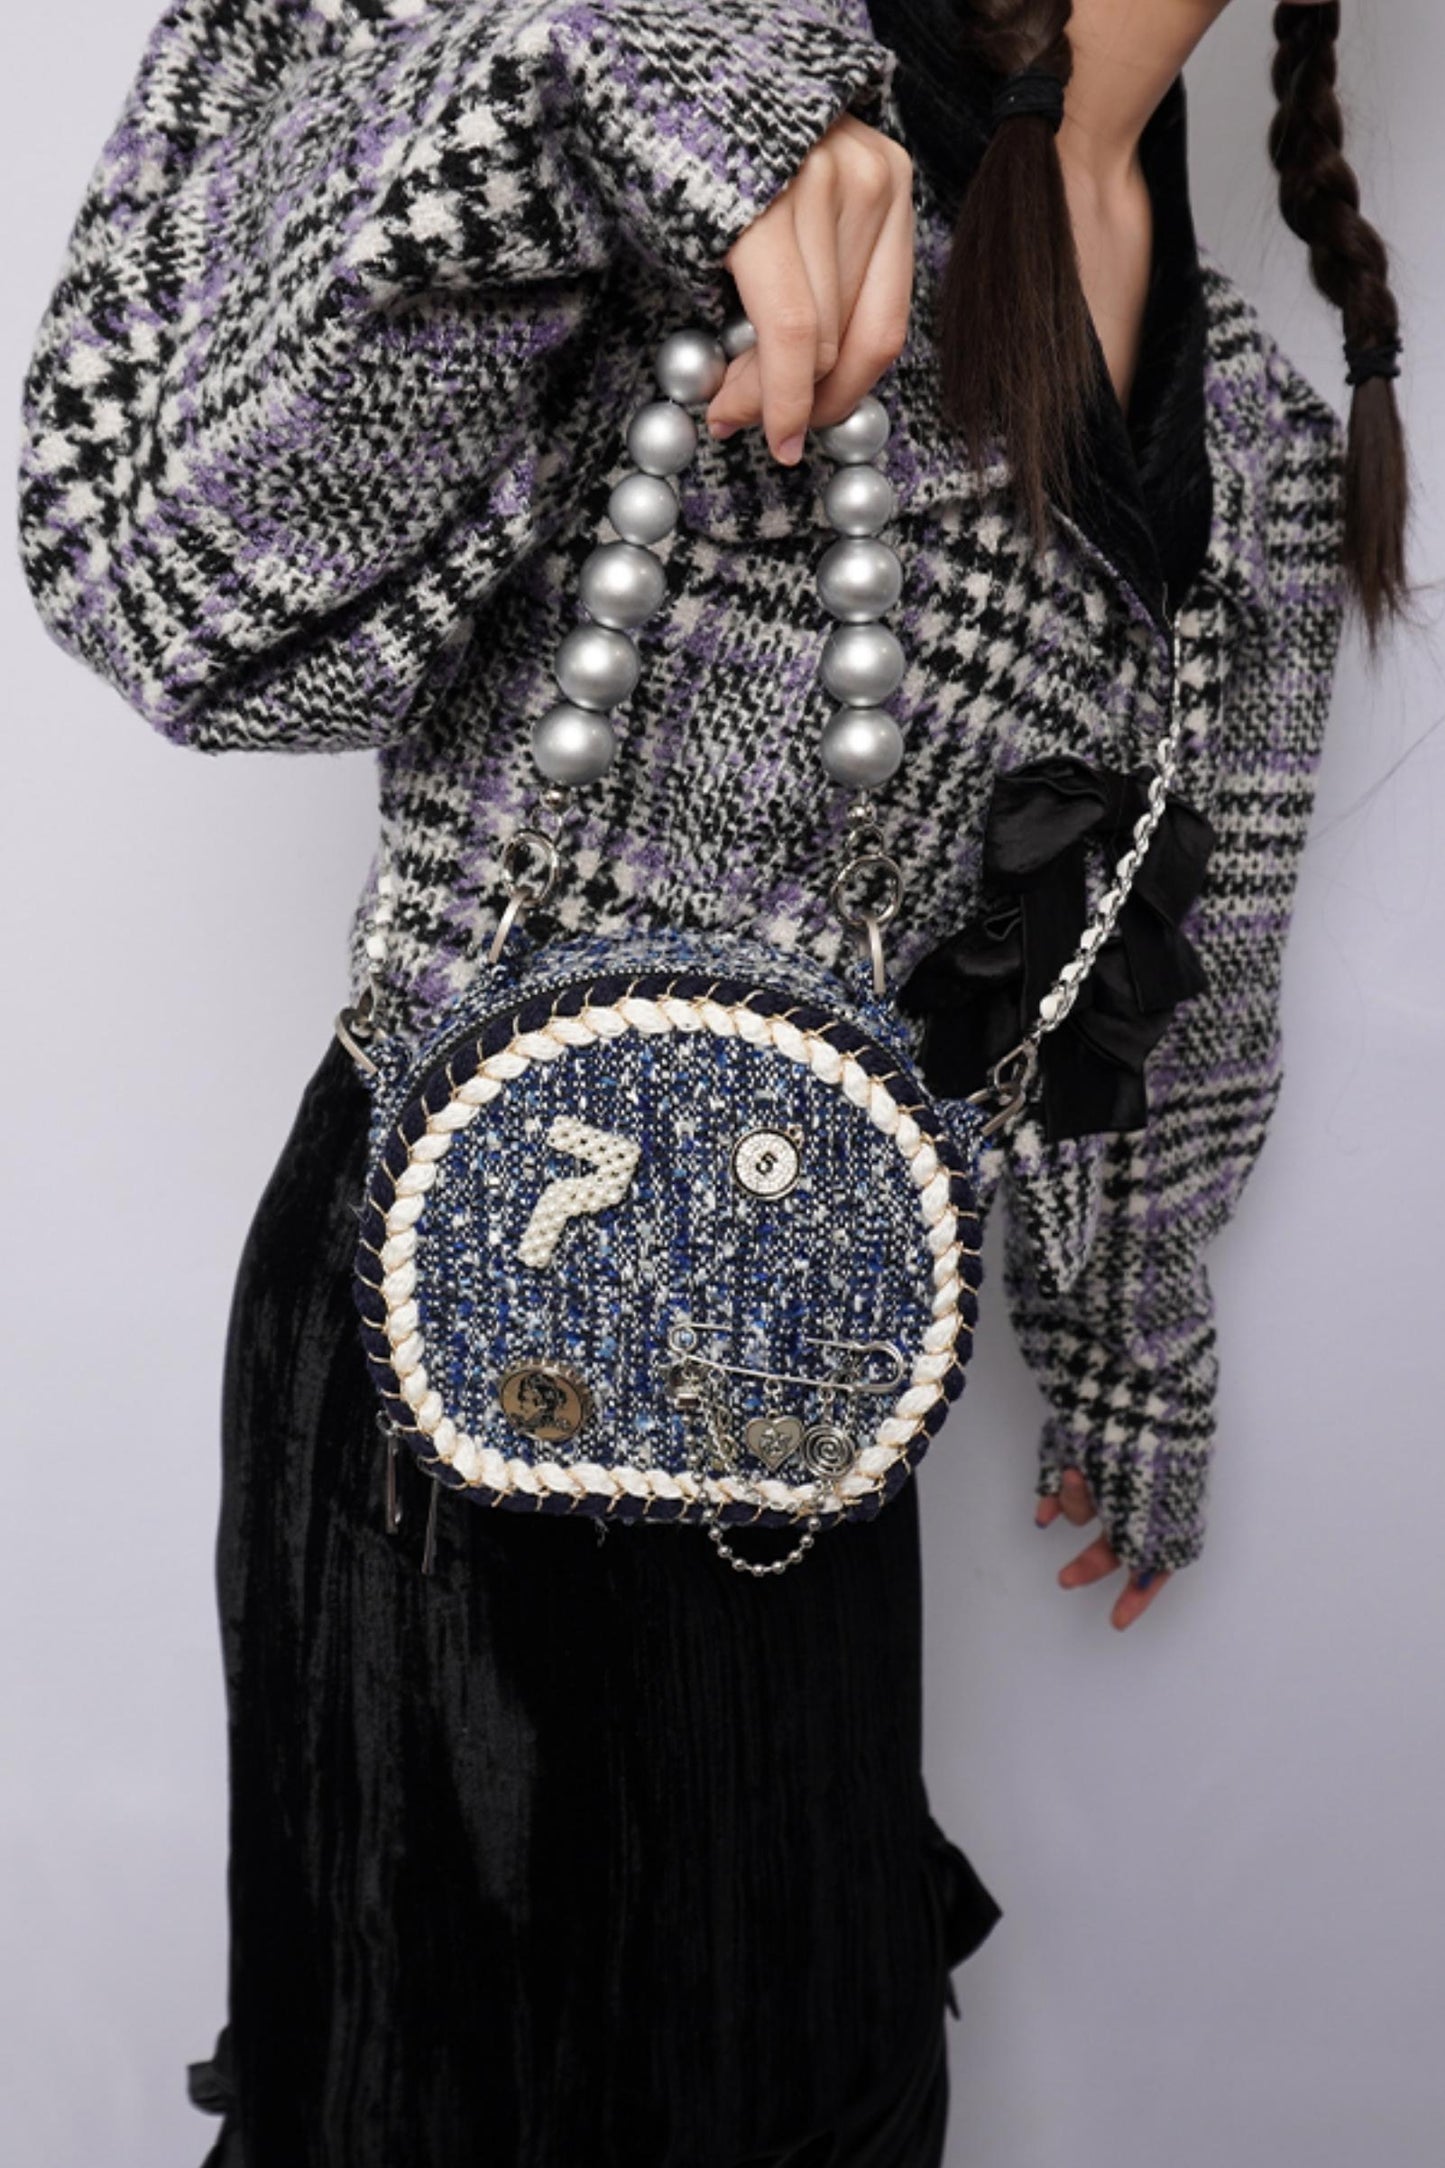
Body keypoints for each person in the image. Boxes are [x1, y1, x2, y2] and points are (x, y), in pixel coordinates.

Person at [16, 1, 1406, 2162]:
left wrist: (1130, 1341)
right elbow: (170, 599)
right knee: (443, 2098)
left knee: (800, 2069)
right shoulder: (727, 83)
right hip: (450, 1324)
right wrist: (604, 92)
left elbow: (1185, 956)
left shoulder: (1254, 425)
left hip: (819, 1384)